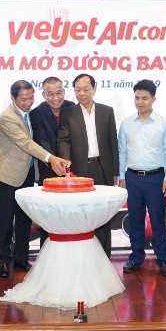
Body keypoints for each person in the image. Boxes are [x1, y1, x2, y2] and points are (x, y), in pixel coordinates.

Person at [0, 80, 70, 278]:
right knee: (5, 221)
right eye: (23, 99)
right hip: (9, 176)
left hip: (28, 174)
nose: (28, 103)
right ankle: (2, 260)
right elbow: (26, 143)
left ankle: (21, 259)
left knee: (24, 220)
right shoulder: (7, 117)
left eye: (31, 98)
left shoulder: (28, 114)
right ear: (13, 98)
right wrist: (51, 158)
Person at [118, 79, 166, 277]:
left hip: (156, 178)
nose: (140, 102)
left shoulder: (164, 122)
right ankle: (136, 257)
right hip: (132, 178)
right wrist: (122, 176)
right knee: (135, 220)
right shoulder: (126, 123)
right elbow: (122, 152)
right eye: (137, 98)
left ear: (153, 99)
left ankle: (163, 258)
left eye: (144, 98)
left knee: (158, 220)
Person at [58, 73, 119, 258]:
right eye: (78, 90)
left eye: (85, 89)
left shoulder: (107, 111)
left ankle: (104, 258)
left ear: (94, 89)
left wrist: (116, 172)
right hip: (79, 170)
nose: (81, 93)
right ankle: (83, 257)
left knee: (102, 215)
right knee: (81, 214)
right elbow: (63, 140)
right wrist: (66, 163)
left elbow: (113, 143)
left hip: (102, 168)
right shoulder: (68, 113)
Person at [30, 76, 75, 246]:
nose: (55, 98)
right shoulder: (36, 113)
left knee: (71, 214)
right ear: (43, 95)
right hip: (49, 170)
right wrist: (55, 161)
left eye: (58, 93)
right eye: (50, 94)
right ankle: (48, 252)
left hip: (72, 170)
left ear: (64, 92)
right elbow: (42, 141)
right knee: (50, 217)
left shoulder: (72, 107)